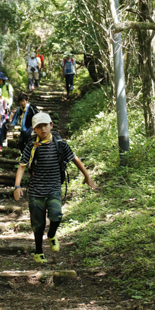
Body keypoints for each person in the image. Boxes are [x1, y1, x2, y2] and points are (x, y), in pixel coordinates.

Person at [13, 113, 96, 264]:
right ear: (34, 129)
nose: (43, 129)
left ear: (51, 125)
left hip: (53, 189)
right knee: (38, 224)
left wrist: (87, 176)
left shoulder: (60, 144)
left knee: (56, 215)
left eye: (45, 125)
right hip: (36, 191)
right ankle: (38, 252)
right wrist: (17, 185)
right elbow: (22, 166)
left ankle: (52, 235)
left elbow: (74, 159)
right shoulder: (31, 146)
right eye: (39, 127)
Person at [0, 72, 14, 146]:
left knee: (5, 124)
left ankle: (4, 139)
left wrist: (9, 105)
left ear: (2, 79)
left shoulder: (8, 86)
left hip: (6, 106)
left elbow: (11, 97)